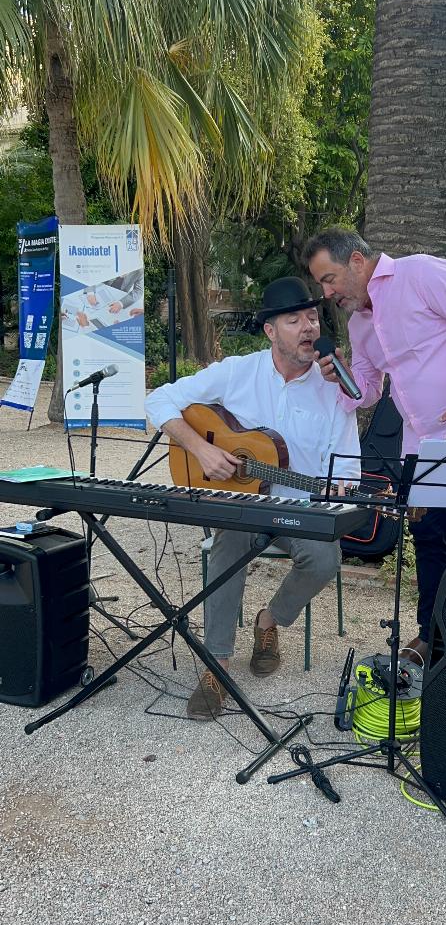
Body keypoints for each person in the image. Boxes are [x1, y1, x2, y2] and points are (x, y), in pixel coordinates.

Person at [145, 276, 361, 718]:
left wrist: (340, 489)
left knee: (324, 558)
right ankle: (217, 664)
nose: (308, 327)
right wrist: (201, 449)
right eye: (294, 320)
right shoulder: (237, 372)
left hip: (299, 507)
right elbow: (159, 400)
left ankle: (268, 620)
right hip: (242, 504)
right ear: (270, 331)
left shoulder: (333, 391)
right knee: (228, 542)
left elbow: (348, 470)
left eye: (312, 317)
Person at [303, 227, 446, 662]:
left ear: (357, 262)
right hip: (421, 443)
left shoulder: (421, 273)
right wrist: (341, 377)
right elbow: (368, 391)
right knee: (428, 539)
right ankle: (432, 637)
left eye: (329, 279)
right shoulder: (360, 323)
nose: (326, 293)